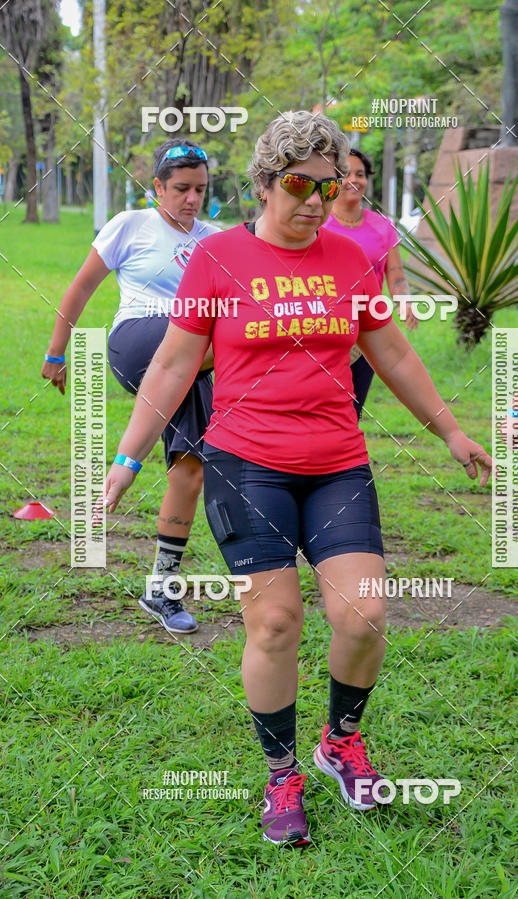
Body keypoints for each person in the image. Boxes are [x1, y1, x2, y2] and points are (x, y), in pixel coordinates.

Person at [99, 111, 492, 846]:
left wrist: (451, 429)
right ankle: (282, 773)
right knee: (275, 623)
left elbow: (394, 353)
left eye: (328, 184)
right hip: (246, 464)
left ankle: (339, 741)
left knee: (365, 614)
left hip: (337, 459)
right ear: (265, 181)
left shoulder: (349, 259)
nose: (314, 201)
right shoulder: (218, 260)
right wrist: (126, 458)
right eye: (297, 184)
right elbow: (175, 364)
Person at [42, 138, 220, 634]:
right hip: (140, 340)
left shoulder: (217, 239)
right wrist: (58, 352)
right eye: (180, 188)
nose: (191, 199)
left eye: (200, 190)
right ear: (157, 187)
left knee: (190, 467)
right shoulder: (131, 225)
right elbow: (81, 287)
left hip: (197, 360)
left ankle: (161, 585)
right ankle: (127, 462)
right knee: (202, 348)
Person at [322, 147, 418, 418]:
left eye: (360, 174)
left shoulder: (383, 225)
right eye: (346, 174)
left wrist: (404, 301)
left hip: (366, 332)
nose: (354, 180)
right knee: (321, 404)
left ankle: (343, 457)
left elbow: (396, 274)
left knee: (352, 409)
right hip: (325, 329)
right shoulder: (318, 223)